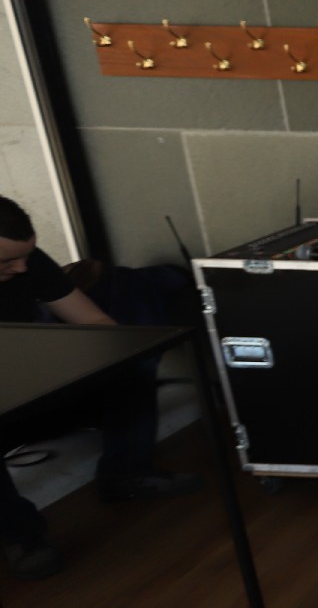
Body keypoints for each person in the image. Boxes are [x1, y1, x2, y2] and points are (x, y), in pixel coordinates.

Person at [0, 196, 194, 579]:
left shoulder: (30, 263)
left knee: (131, 362)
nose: (21, 267)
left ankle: (127, 473)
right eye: (7, 261)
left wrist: (114, 353)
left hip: (40, 387)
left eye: (26, 256)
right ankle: (21, 536)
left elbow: (95, 322)